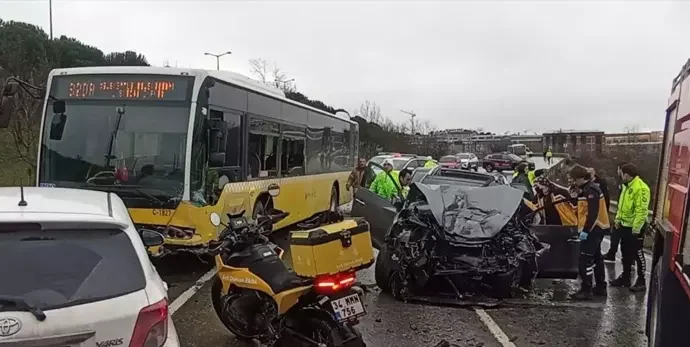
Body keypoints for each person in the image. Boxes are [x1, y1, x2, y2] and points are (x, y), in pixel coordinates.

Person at [568, 165, 610, 300]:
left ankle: (586, 289)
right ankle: (600, 286)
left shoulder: (591, 190)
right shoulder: (586, 189)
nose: (574, 182)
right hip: (597, 228)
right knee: (597, 258)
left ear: (581, 178)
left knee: (585, 260)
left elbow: (592, 213)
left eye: (574, 179)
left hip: (593, 229)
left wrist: (586, 230)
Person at [609, 163, 651, 292]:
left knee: (638, 254)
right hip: (624, 225)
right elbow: (622, 206)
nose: (620, 176)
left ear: (626, 174)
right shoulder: (626, 186)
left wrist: (636, 229)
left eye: (621, 173)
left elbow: (641, 210)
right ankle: (625, 277)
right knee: (625, 253)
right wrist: (617, 220)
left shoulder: (641, 188)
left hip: (635, 227)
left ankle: (641, 280)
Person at [603, 162, 629, 262]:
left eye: (618, 170)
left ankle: (626, 259)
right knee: (615, 237)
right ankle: (613, 254)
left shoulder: (626, 184)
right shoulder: (622, 183)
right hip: (621, 216)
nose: (617, 172)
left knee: (621, 239)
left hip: (625, 218)